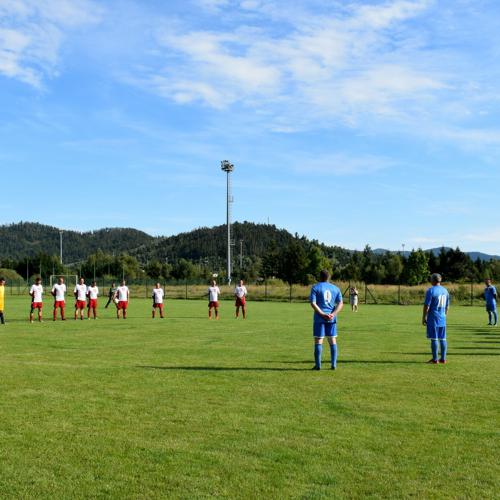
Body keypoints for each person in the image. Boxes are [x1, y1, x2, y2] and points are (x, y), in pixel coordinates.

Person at [309, 269, 344, 370]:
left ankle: (318, 365)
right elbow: (340, 303)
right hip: (332, 319)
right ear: (329, 277)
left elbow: (313, 303)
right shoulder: (336, 288)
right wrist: (333, 314)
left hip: (319, 318)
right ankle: (333, 364)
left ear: (319, 277)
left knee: (319, 340)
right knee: (332, 339)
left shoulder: (315, 287)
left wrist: (322, 314)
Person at [422, 273, 450, 364]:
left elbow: (427, 306)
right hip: (442, 318)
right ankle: (443, 359)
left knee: (434, 338)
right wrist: (445, 315)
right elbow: (447, 306)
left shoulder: (431, 291)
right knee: (443, 338)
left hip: (433, 318)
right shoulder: (445, 291)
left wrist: (424, 317)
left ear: (433, 280)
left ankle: (435, 359)